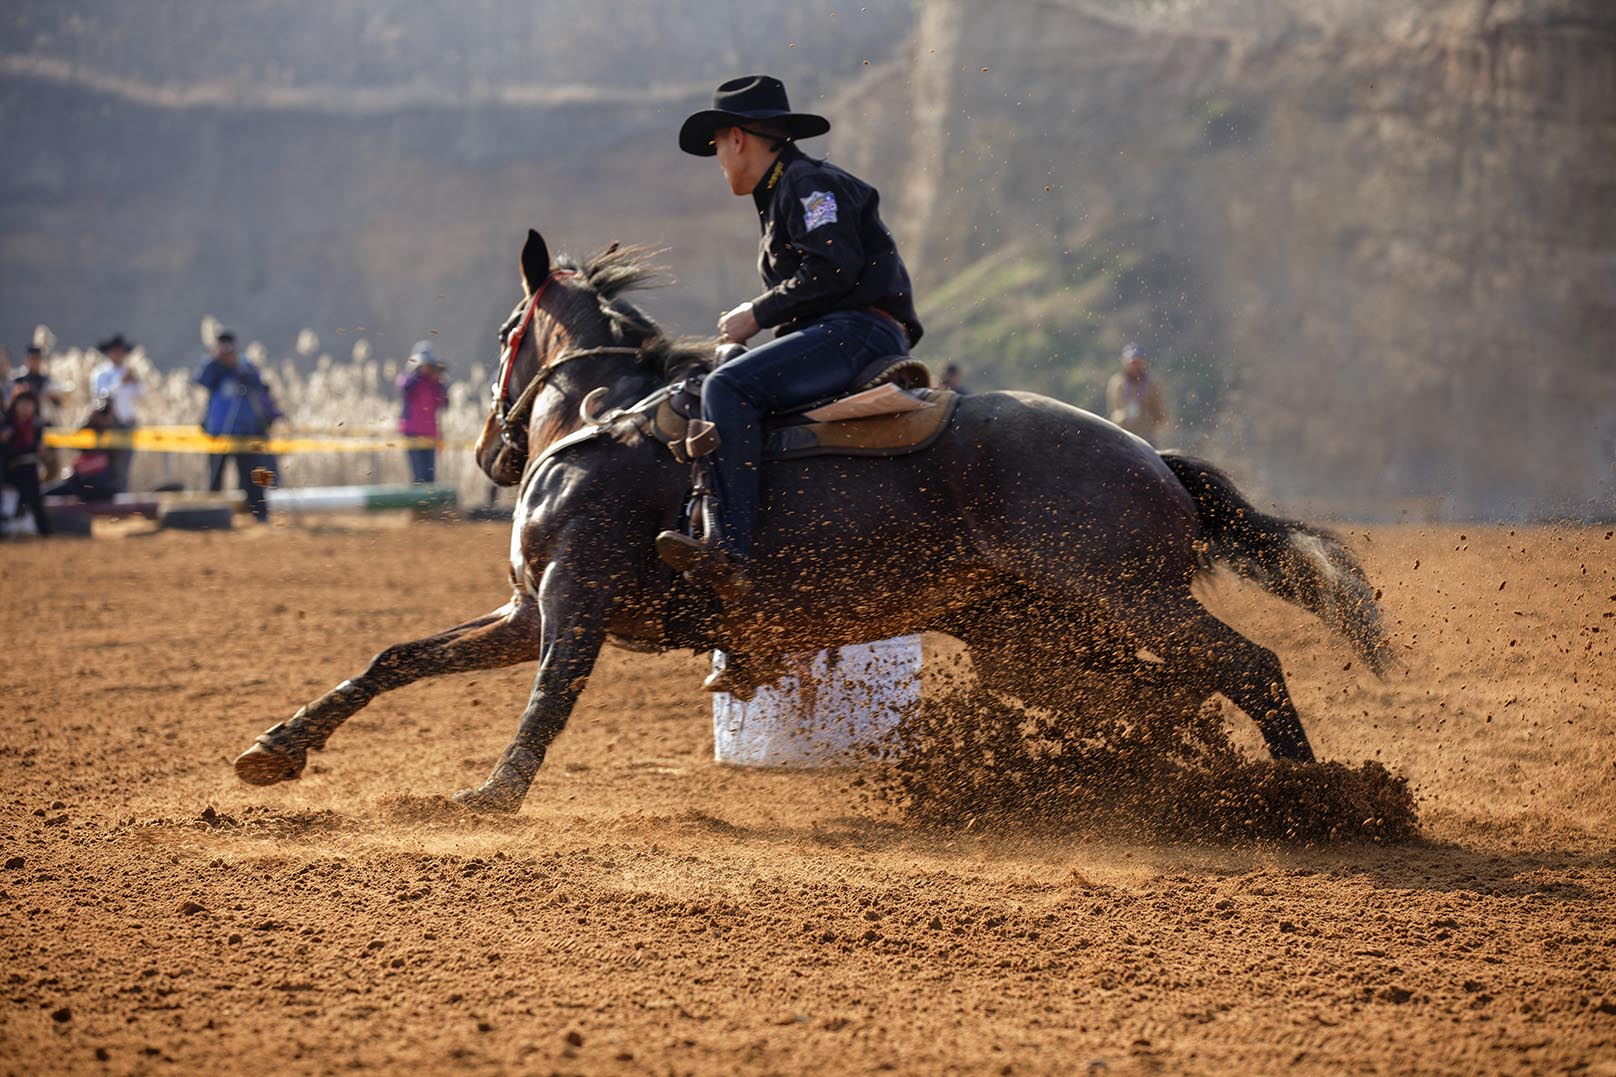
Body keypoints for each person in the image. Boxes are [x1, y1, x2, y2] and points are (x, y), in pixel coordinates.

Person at [657, 75, 922, 603]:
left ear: (737, 139)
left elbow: (831, 269)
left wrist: (757, 313)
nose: (720, 162)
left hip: (857, 331)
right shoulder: (791, 188)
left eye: (717, 149)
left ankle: (730, 552)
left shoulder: (806, 185)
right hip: (850, 330)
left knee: (726, 390)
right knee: (732, 375)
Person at [195, 329, 281, 523]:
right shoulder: (212, 365)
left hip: (245, 431)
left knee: (252, 477)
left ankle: (260, 514)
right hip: (219, 432)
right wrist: (218, 363)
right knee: (215, 476)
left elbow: (258, 384)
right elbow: (201, 380)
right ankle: (210, 515)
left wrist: (239, 370)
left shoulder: (245, 365)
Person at [89, 333, 144, 493]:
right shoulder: (101, 373)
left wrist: (137, 381)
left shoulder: (130, 372)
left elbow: (143, 394)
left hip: (127, 423)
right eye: (115, 351)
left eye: (121, 351)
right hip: (108, 424)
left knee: (125, 464)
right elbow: (101, 395)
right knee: (109, 464)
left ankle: (123, 496)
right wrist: (121, 382)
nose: (119, 354)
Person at [43, 401, 119, 505]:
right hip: (81, 482)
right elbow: (76, 446)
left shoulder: (112, 432)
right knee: (50, 493)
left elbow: (111, 460)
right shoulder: (88, 428)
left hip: (100, 484)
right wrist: (91, 420)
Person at [397, 342, 450, 484]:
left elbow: (444, 403)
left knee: (430, 476)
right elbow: (404, 388)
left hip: (430, 434)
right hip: (412, 433)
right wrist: (419, 373)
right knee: (419, 475)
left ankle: (429, 506)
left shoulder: (434, 384)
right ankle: (418, 506)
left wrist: (439, 379)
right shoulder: (410, 379)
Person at [1, 389, 52, 536]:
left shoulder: (37, 426)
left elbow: (40, 453)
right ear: (15, 405)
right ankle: (42, 527)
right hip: (7, 470)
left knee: (30, 478)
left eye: (29, 404)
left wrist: (42, 452)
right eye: (23, 404)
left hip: (27, 470)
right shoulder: (6, 423)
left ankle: (41, 527)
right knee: (29, 479)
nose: (26, 408)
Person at [1106, 342, 1170, 447]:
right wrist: (1121, 417)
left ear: (1143, 363)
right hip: (1123, 434)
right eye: (1131, 363)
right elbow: (1113, 408)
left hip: (1146, 437)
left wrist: (1148, 423)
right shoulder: (1117, 383)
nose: (1134, 366)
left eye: (1137, 362)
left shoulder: (1152, 384)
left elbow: (1161, 413)